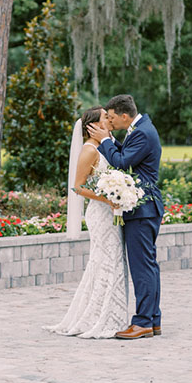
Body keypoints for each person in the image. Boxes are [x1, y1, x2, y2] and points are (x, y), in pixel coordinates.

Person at [45, 106, 130, 339]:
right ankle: (99, 317)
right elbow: (78, 187)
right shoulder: (89, 150)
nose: (110, 119)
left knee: (113, 261)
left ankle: (113, 314)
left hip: (111, 211)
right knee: (105, 260)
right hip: (99, 213)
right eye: (105, 117)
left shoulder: (106, 145)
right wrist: (107, 198)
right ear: (92, 125)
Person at [87, 94, 164, 340]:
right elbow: (128, 155)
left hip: (143, 209)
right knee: (148, 266)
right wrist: (111, 141)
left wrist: (106, 141)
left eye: (110, 117)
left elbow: (122, 162)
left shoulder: (142, 132)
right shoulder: (140, 129)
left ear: (123, 115)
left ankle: (142, 322)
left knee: (143, 268)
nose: (109, 122)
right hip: (143, 209)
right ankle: (152, 320)